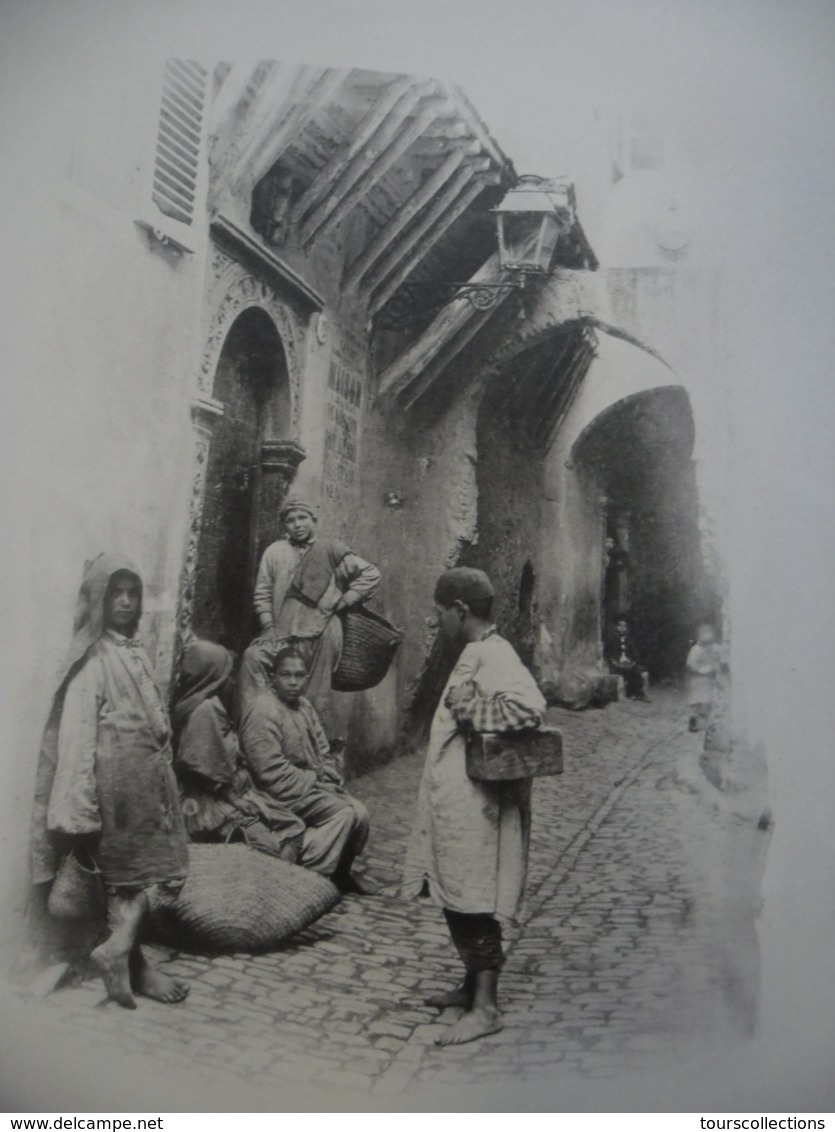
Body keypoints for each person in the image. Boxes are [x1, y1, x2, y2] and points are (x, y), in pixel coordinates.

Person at [31, 554, 189, 1009]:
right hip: (114, 792)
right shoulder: (93, 661)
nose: (124, 601)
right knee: (128, 883)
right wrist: (79, 809)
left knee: (146, 880)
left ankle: (123, 958)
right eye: (115, 593)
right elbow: (77, 738)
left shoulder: (130, 649)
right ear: (98, 599)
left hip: (144, 786)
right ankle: (127, 961)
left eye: (132, 593)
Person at [402, 568, 546, 1047]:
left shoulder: (494, 654)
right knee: (457, 894)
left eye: (440, 610)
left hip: (479, 808)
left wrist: (470, 711)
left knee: (473, 900)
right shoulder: (476, 652)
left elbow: (528, 709)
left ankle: (486, 1008)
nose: (437, 618)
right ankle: (470, 987)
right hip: (460, 803)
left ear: (459, 610)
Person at [239, 646, 372, 895]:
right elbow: (271, 773)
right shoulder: (264, 710)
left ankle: (341, 873)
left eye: (299, 676)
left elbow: (323, 750)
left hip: (305, 789)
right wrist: (318, 782)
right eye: (285, 675)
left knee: (361, 813)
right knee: (342, 814)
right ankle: (311, 876)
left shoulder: (304, 706)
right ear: (272, 678)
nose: (293, 682)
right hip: (276, 795)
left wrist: (329, 771)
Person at [248, 498, 380, 736]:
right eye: (290, 520)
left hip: (323, 632)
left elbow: (371, 574)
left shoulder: (331, 551)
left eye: (302, 518)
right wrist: (268, 626)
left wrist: (347, 599)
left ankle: (312, 756)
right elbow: (263, 592)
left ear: (314, 521)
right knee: (256, 663)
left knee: (314, 697)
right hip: (283, 632)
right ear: (284, 526)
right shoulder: (275, 551)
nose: (297, 524)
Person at [173, 639, 305, 860]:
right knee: (269, 846)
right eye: (228, 675)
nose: (233, 682)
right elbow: (205, 773)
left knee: (293, 825)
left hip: (229, 794)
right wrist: (238, 801)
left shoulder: (210, 706)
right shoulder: (204, 711)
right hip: (210, 803)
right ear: (213, 675)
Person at [605, 615, 651, 702]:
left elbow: (635, 655)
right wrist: (616, 664)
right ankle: (630, 694)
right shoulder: (612, 640)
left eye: (624, 626)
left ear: (626, 628)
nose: (622, 628)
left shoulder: (630, 641)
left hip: (628, 664)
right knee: (625, 672)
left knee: (637, 671)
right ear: (616, 627)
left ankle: (640, 694)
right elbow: (609, 655)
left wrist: (632, 663)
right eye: (620, 626)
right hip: (617, 665)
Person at [685, 623, 721, 732]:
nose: (708, 643)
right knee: (696, 701)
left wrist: (716, 666)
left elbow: (721, 656)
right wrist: (700, 670)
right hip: (698, 678)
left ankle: (708, 723)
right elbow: (691, 663)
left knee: (709, 702)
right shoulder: (696, 649)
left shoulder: (715, 648)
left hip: (711, 678)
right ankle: (693, 722)